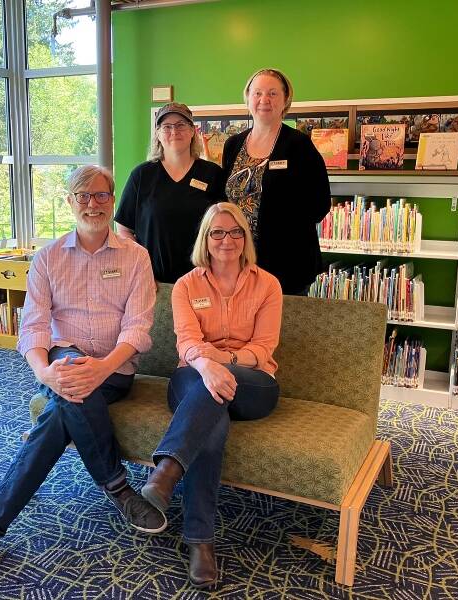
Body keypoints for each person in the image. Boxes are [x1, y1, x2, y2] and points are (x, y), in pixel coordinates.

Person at [0, 165, 166, 570]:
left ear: (113, 201)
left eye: (101, 195)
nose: (92, 204)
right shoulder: (49, 258)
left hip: (114, 370)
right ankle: (119, 489)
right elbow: (32, 327)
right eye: (82, 196)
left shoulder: (136, 257)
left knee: (56, 414)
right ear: (69, 202)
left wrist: (101, 368)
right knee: (68, 375)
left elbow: (138, 329)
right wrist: (43, 373)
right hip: (62, 364)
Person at [141, 202, 282, 588]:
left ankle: (166, 471)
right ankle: (200, 541)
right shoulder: (187, 286)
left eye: (235, 232)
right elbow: (187, 343)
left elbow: (263, 348)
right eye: (217, 232)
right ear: (206, 239)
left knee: (213, 392)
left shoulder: (267, 284)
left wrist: (220, 359)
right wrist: (206, 365)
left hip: (253, 383)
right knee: (211, 425)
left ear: (245, 238)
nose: (227, 240)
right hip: (193, 377)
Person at [221, 68, 331, 295]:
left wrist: (282, 228)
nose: (264, 100)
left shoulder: (299, 145)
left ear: (285, 101)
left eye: (272, 94)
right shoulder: (233, 145)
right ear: (248, 98)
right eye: (257, 93)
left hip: (287, 263)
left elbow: (320, 203)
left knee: (280, 329)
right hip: (238, 260)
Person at [116, 102, 224, 283]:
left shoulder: (212, 174)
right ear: (158, 134)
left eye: (181, 125)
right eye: (166, 126)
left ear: (192, 131)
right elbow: (124, 230)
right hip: (153, 282)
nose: (174, 131)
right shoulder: (142, 175)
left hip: (203, 281)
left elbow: (224, 228)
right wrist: (142, 268)